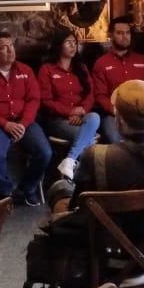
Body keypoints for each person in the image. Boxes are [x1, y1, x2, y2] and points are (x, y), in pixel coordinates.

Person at [25, 80, 144, 288]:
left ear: (118, 120)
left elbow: (78, 210)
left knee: (60, 188)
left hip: (104, 260)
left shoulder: (96, 155)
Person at [0, 31, 51, 205]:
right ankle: (6, 193)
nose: (10, 51)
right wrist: (5, 124)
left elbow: (33, 99)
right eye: (4, 48)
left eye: (12, 46)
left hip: (24, 122)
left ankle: (27, 188)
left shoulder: (25, 70)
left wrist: (23, 124)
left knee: (45, 152)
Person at [37, 28, 101, 181]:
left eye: (75, 42)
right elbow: (45, 100)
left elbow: (91, 94)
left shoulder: (81, 68)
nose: (73, 46)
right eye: (68, 42)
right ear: (59, 45)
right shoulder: (47, 69)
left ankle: (70, 160)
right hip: (57, 120)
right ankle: (82, 181)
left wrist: (82, 111)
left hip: (82, 118)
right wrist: (70, 112)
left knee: (95, 117)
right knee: (88, 138)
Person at [91, 15, 144, 144]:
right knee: (116, 140)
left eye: (127, 33)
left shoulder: (142, 60)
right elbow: (100, 95)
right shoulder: (101, 63)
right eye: (119, 33)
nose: (125, 36)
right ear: (111, 35)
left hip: (142, 112)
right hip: (114, 115)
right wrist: (116, 111)